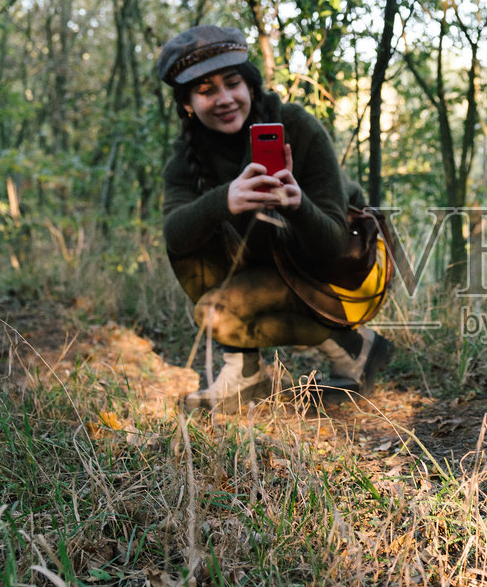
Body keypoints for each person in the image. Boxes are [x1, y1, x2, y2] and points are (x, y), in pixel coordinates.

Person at [158, 25, 392, 410]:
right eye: (206, 90)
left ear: (250, 86)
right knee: (204, 283)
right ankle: (244, 372)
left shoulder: (298, 127)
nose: (224, 99)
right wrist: (224, 201)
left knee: (217, 309)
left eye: (232, 83)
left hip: (346, 274)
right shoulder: (186, 157)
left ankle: (354, 345)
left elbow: (334, 245)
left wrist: (297, 205)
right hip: (276, 270)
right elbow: (174, 235)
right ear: (187, 104)